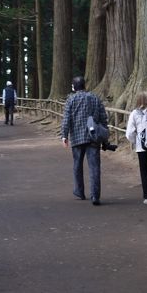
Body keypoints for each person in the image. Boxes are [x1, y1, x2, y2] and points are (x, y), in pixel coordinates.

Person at [60, 75, 108, 206]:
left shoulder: (71, 100)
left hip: (77, 137)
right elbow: (103, 117)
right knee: (94, 167)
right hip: (93, 137)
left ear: (74, 87)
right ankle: (95, 195)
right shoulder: (95, 98)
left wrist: (64, 136)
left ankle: (79, 191)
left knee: (77, 165)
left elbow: (66, 119)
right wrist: (104, 135)